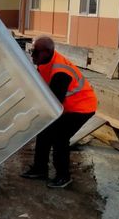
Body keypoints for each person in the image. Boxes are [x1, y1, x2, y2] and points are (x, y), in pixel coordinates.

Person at [21, 36, 97, 188]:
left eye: (35, 52)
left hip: (81, 107)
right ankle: (40, 169)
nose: (32, 55)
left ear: (48, 52)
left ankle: (64, 176)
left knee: (60, 138)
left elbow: (54, 104)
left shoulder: (61, 71)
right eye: (31, 50)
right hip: (67, 105)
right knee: (44, 131)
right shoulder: (44, 61)